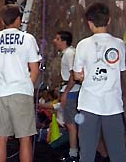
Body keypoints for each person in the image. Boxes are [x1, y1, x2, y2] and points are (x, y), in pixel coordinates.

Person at [73, 2, 126, 162]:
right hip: (113, 105)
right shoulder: (119, 44)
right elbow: (120, 70)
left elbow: (77, 75)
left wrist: (85, 76)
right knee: (118, 153)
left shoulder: (83, 45)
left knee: (87, 154)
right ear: (109, 20)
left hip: (89, 104)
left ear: (90, 23)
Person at [0, 4, 41, 162]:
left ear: (2, 20)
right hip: (21, 92)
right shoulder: (28, 39)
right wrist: (27, 84)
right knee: (24, 138)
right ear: (18, 19)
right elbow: (35, 69)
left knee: (1, 138)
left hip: (1, 93)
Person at [53, 31, 80, 161]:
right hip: (70, 90)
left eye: (57, 39)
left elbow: (73, 75)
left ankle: (73, 154)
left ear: (64, 41)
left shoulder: (69, 54)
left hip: (72, 92)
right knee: (70, 123)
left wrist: (66, 93)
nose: (55, 41)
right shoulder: (67, 53)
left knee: (70, 123)